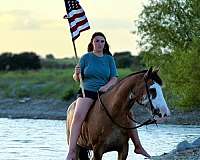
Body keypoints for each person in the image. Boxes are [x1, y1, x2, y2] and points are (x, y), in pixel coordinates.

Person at [66, 32, 150, 160]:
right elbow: (77, 79)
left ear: (105, 44)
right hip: (87, 92)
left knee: (129, 113)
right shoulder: (85, 58)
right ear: (92, 43)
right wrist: (76, 74)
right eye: (97, 41)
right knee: (77, 116)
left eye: (102, 41)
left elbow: (114, 78)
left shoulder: (109, 59)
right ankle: (72, 151)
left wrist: (106, 87)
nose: (99, 43)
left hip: (106, 93)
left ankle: (138, 146)